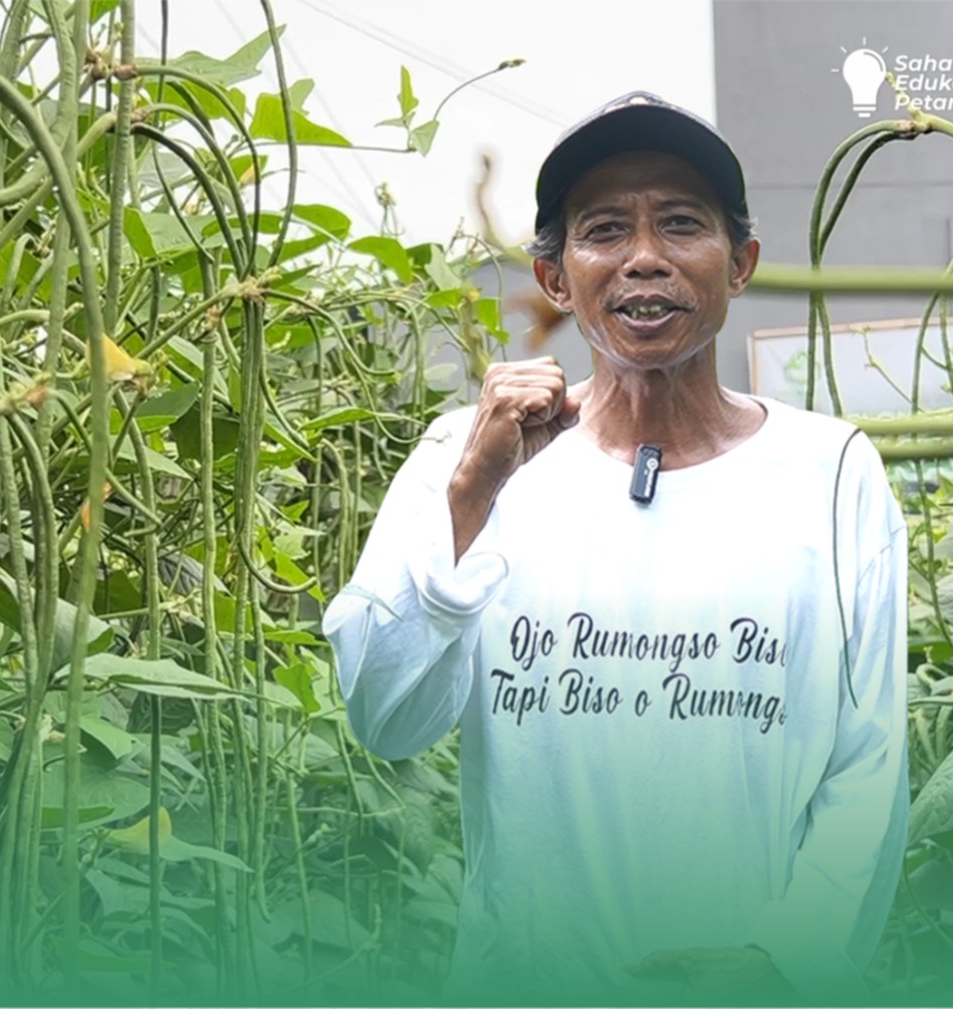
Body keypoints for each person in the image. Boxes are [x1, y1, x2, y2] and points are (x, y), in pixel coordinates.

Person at [323, 92, 909, 1005]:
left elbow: (869, 762)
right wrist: (473, 492)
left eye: (681, 223)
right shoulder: (464, 457)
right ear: (554, 278)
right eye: (604, 230)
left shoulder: (833, 473)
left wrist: (786, 960)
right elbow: (384, 716)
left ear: (740, 264)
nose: (644, 257)